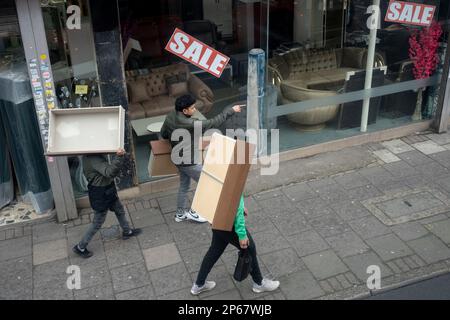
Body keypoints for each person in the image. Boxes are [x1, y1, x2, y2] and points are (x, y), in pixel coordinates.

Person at [160, 94, 243, 223]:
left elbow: (164, 134)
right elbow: (213, 122)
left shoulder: (170, 116)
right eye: (192, 108)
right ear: (184, 111)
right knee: (207, 183)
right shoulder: (189, 123)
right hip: (189, 161)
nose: (194, 110)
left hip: (178, 159)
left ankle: (180, 214)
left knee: (184, 185)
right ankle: (195, 212)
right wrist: (231, 110)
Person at [190, 195, 280, 295]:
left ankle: (199, 284)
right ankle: (259, 283)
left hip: (217, 219)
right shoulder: (234, 178)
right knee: (250, 249)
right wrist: (242, 235)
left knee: (214, 251)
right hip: (230, 224)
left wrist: (240, 207)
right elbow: (236, 199)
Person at [72, 148, 142, 258]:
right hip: (100, 193)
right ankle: (80, 247)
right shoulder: (93, 159)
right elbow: (109, 172)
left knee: (119, 210)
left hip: (107, 189)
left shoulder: (93, 154)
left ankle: (127, 231)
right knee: (98, 222)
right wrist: (119, 157)